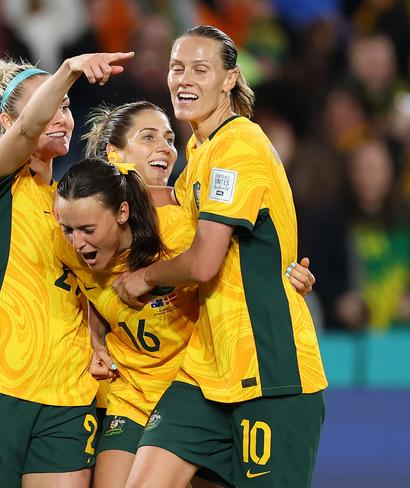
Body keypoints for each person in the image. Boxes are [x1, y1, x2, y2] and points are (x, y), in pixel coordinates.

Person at [56, 100, 316, 487]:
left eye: (168, 138)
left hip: (196, 387)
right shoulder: (79, 221)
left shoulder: (189, 225)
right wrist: (96, 339)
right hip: (132, 392)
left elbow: (236, 267)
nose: (165, 147)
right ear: (115, 154)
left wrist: (287, 276)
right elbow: (85, 289)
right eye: (148, 138)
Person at [112, 26, 328, 488]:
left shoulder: (237, 147)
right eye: (176, 68)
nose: (184, 80)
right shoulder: (197, 152)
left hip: (269, 370)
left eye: (200, 69)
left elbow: (204, 261)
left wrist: (145, 278)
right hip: (206, 368)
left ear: (230, 79)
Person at [0, 51, 133, 488]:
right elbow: (31, 129)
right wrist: (67, 72)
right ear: (8, 124)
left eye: (67, 106)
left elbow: (92, 285)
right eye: (50, 103)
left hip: (69, 392)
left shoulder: (72, 207)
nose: (62, 116)